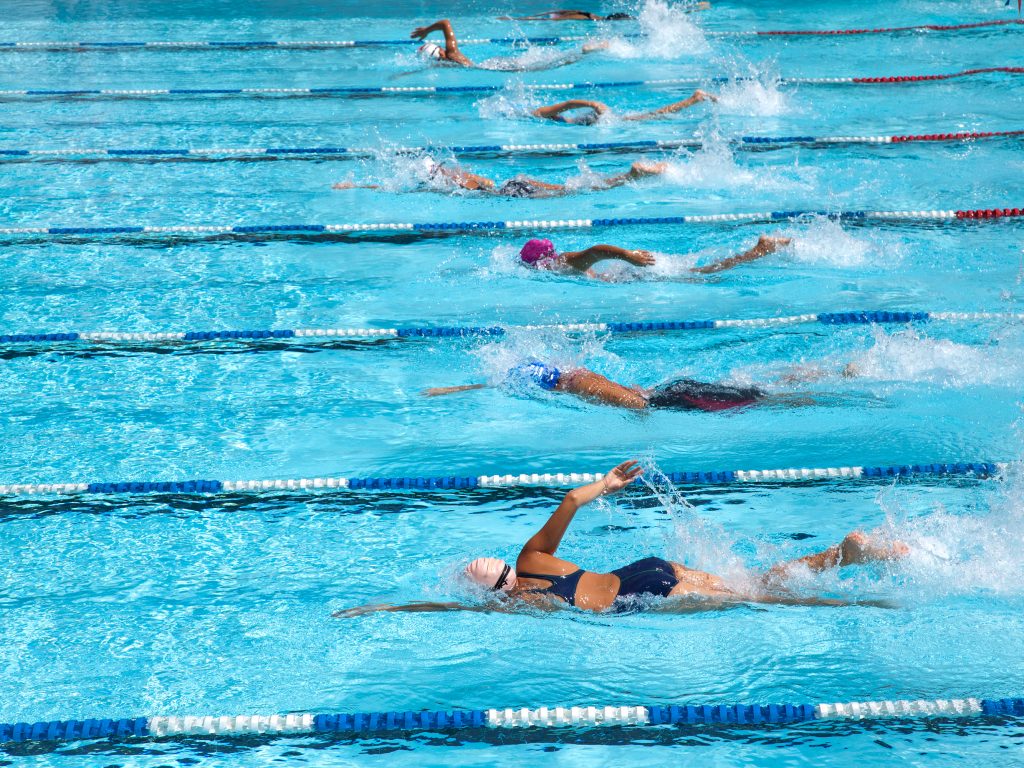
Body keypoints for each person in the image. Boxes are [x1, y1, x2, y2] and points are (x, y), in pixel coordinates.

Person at [334, 461, 908, 617]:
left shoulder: (519, 599)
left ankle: (858, 599)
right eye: (477, 565)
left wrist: (384, 608)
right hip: (644, 569)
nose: (476, 562)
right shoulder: (530, 563)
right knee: (754, 583)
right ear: (499, 573)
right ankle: (842, 554)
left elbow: (445, 608)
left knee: (763, 598)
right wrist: (604, 486)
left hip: (643, 595)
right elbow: (570, 501)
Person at [332, 159, 668, 198]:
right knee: (574, 188)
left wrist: (357, 185)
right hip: (511, 183)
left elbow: (394, 190)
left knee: (575, 193)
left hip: (511, 194)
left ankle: (631, 176)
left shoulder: (447, 185)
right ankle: (628, 175)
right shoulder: (458, 174)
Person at [518, 234, 791, 278]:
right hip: (628, 274)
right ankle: (757, 251)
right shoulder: (560, 262)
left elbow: (596, 250)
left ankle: (758, 251)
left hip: (636, 273)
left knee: (701, 274)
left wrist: (629, 257)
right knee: (698, 271)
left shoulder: (562, 263)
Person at [412, 18, 609, 70]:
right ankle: (582, 51)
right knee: (546, 61)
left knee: (550, 64)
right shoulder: (450, 56)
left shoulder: (452, 55)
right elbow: (445, 24)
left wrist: (427, 30)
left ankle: (583, 52)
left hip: (498, 68)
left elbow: (446, 22)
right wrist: (427, 31)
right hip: (494, 64)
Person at [532, 90, 716, 125]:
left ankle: (694, 99)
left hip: (591, 120)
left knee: (651, 116)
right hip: (588, 122)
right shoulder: (537, 116)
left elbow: (569, 104)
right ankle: (694, 99)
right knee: (651, 116)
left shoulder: (538, 114)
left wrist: (594, 105)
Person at [498, 3, 710, 20]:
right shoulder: (579, 14)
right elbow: (551, 13)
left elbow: (549, 15)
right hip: (608, 18)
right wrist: (520, 18)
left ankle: (691, 10)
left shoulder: (579, 16)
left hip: (607, 20)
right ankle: (691, 9)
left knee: (642, 19)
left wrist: (519, 19)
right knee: (648, 18)